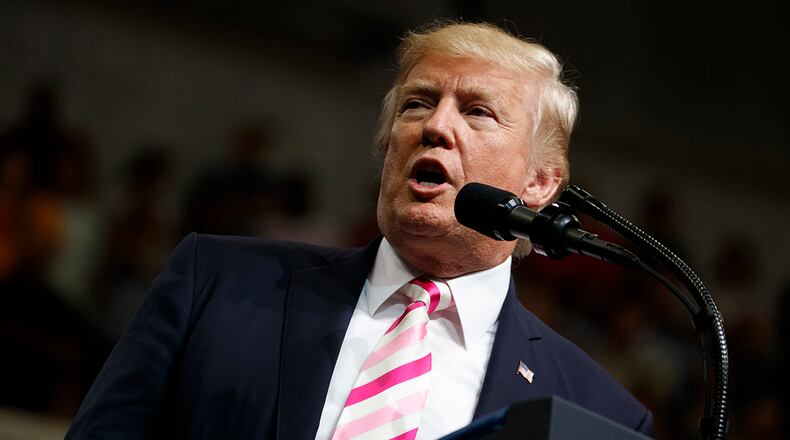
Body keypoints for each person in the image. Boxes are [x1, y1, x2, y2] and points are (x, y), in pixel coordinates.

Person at [66, 22, 652, 439]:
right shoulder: (214, 285)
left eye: (477, 111)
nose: (436, 126)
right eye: (417, 104)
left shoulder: (597, 413)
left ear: (540, 184)